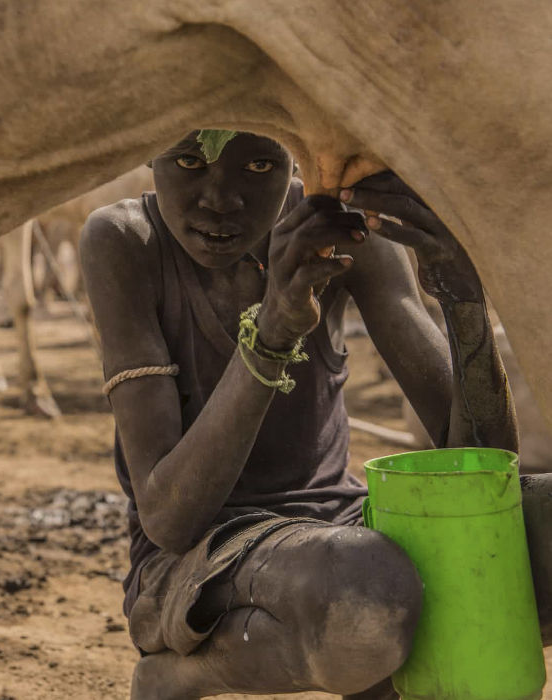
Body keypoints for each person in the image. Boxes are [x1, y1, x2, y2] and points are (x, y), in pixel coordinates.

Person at [78, 130, 552, 699]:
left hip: (340, 534)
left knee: (384, 579)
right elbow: (170, 520)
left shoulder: (339, 231)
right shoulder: (127, 239)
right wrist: (272, 331)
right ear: (148, 150)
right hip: (198, 559)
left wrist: (464, 301)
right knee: (366, 588)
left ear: (296, 156)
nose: (220, 199)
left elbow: (484, 469)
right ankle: (179, 673)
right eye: (188, 161)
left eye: (258, 164)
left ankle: (372, 666)